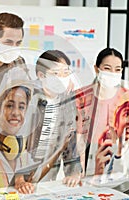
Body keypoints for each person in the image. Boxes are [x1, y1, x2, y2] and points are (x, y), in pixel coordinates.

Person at [79, 48, 129, 182]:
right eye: (107, 68)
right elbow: (75, 139)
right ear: (96, 69)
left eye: (117, 70)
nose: (112, 73)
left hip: (117, 172)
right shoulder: (82, 98)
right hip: (84, 171)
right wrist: (79, 172)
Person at [26, 50, 83, 187]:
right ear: (41, 75)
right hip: (18, 178)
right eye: (56, 73)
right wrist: (19, 177)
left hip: (48, 178)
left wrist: (74, 172)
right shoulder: (27, 98)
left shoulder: (67, 101)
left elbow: (70, 141)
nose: (62, 77)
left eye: (65, 73)